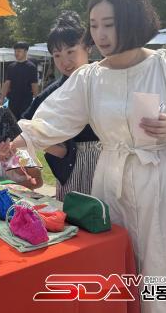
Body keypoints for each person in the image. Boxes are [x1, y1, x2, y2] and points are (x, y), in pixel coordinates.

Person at [9, 0, 166, 313]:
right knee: (113, 266)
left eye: (108, 24)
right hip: (109, 181)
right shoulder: (89, 78)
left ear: (132, 20)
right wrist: (15, 148)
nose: (100, 35)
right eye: (94, 26)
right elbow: (47, 123)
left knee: (157, 271)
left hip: (160, 182)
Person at [21, 11, 100, 198]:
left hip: (107, 163)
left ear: (88, 47)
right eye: (57, 55)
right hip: (70, 168)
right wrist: (58, 150)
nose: (65, 62)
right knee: (70, 213)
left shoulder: (105, 78)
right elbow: (25, 125)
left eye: (71, 51)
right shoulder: (53, 92)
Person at [0, 42, 39, 119]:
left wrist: (36, 101)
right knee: (12, 123)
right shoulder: (11, 67)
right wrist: (1, 99)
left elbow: (34, 85)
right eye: (15, 51)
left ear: (25, 52)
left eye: (19, 51)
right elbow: (7, 83)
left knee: (23, 123)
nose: (16, 53)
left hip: (26, 102)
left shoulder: (31, 67)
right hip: (13, 101)